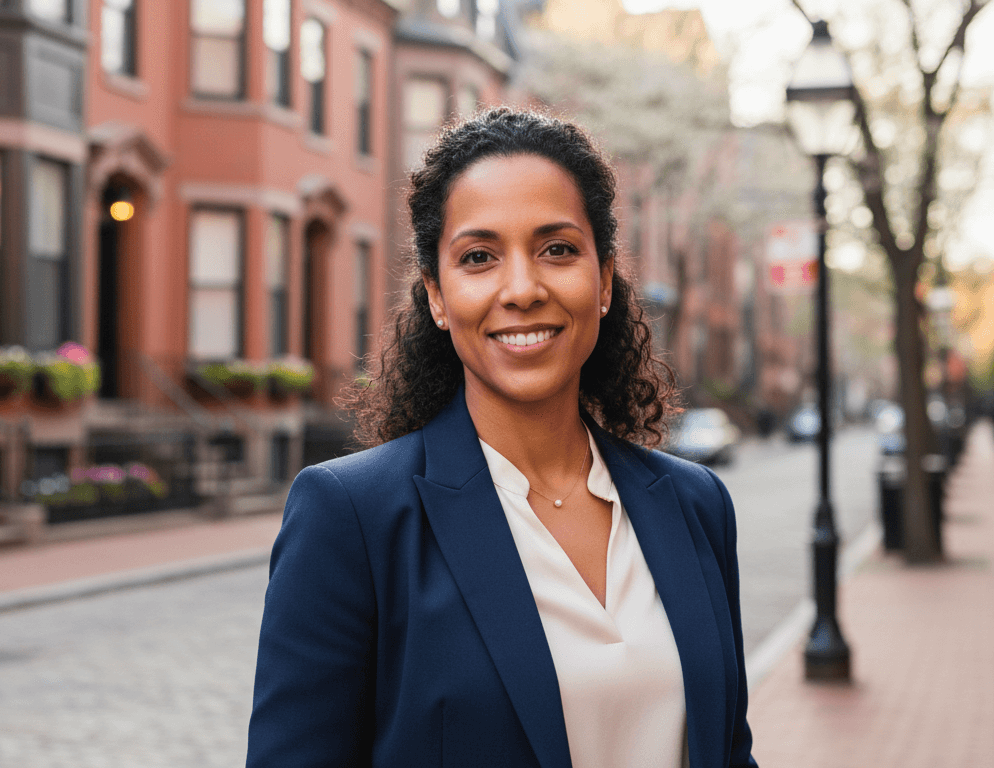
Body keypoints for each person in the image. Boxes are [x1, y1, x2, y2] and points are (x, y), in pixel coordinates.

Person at [247, 108, 756, 768]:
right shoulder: (352, 517)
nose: (522, 289)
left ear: (603, 281)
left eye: (557, 249)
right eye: (479, 258)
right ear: (437, 295)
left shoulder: (695, 505)